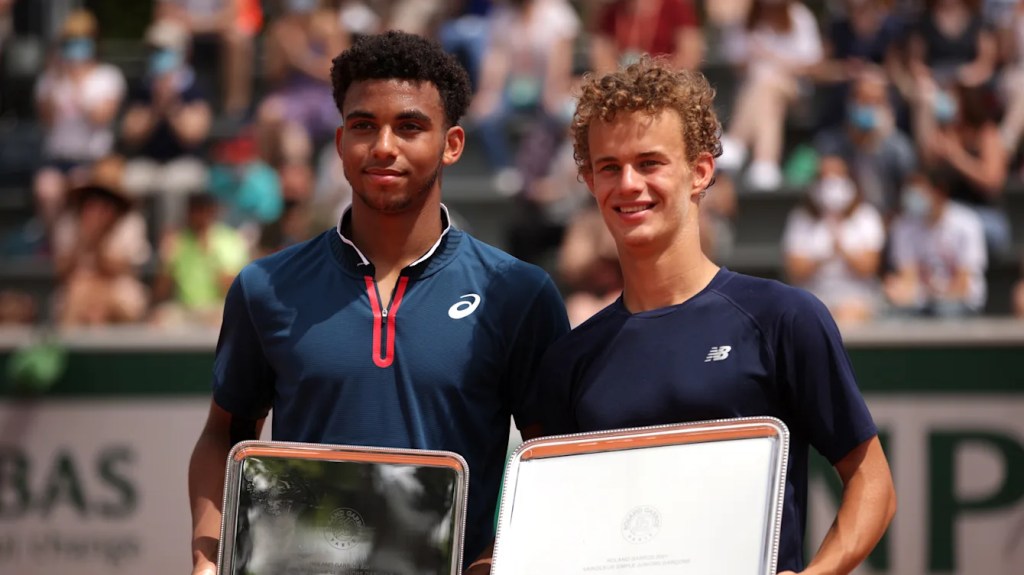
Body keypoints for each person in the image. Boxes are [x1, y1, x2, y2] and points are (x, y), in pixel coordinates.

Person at [187, 31, 570, 575]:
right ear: (340, 141)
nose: (384, 146)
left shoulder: (518, 293)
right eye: (364, 126)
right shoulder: (264, 286)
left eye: (410, 127)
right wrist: (208, 555)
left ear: (452, 144)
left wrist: (496, 560)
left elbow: (551, 462)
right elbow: (223, 436)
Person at [537, 56, 896, 574]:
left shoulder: (783, 318)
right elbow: (561, 525)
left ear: (700, 171)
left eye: (650, 163)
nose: (629, 183)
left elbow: (872, 481)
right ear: (589, 181)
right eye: (609, 167)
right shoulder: (571, 358)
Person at [782, 154, 886, 325]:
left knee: (848, 315)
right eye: (824, 178)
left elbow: (869, 267)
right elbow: (795, 270)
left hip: (856, 294)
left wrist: (842, 248)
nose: (830, 184)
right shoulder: (801, 218)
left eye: (837, 177)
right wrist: (823, 255)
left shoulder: (866, 216)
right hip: (814, 294)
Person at [884, 168, 988, 316]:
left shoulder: (967, 223)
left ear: (939, 192)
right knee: (892, 316)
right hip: (920, 304)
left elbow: (962, 285)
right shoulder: (903, 227)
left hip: (961, 304)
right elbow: (908, 279)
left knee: (943, 311)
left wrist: (925, 293)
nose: (914, 198)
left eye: (920, 192)